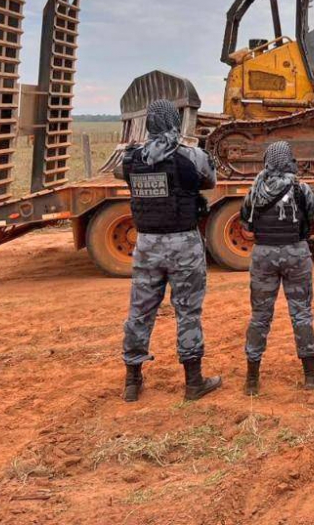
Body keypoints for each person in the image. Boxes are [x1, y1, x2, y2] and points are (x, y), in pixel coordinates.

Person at [120, 99, 222, 402]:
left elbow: (125, 176)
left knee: (140, 311)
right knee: (188, 311)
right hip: (183, 243)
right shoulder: (191, 156)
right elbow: (209, 181)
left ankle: (131, 382)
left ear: (149, 124)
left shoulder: (130, 159)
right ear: (174, 122)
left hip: (147, 243)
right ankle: (193, 382)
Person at [240, 141, 314, 395]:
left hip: (263, 254)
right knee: (301, 313)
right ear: (289, 160)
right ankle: (310, 375)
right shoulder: (301, 188)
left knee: (260, 316)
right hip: (296, 252)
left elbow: (246, 228)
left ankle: (252, 379)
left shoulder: (255, 190)